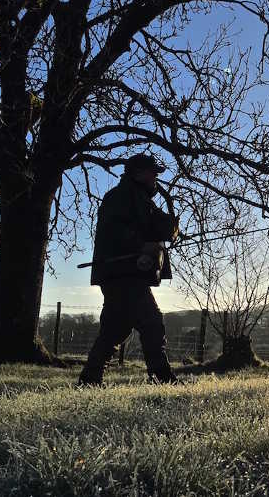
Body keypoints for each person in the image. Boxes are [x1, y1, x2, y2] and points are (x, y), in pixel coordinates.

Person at [78, 153, 180, 386]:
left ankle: (89, 380)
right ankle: (162, 378)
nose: (156, 176)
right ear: (138, 173)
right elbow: (112, 232)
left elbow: (162, 229)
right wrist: (142, 245)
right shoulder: (120, 196)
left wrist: (170, 227)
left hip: (124, 274)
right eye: (152, 171)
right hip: (122, 273)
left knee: (115, 329)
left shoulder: (142, 200)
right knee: (152, 322)